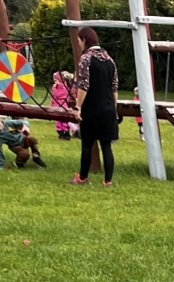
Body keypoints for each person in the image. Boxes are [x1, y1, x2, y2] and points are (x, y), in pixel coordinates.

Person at [72, 27, 119, 188]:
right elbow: (114, 88)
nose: (79, 44)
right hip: (108, 109)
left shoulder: (86, 59)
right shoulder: (109, 60)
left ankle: (82, 178)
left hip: (91, 108)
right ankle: (108, 181)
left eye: (79, 41)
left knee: (87, 144)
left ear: (84, 40)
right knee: (106, 146)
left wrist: (78, 107)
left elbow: (84, 86)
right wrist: (114, 108)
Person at [51, 71, 79, 141]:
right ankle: (62, 133)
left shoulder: (63, 87)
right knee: (59, 121)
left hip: (63, 105)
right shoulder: (56, 87)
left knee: (64, 121)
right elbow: (54, 96)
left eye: (56, 80)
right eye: (54, 80)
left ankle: (69, 132)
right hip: (57, 106)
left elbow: (58, 95)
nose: (55, 82)